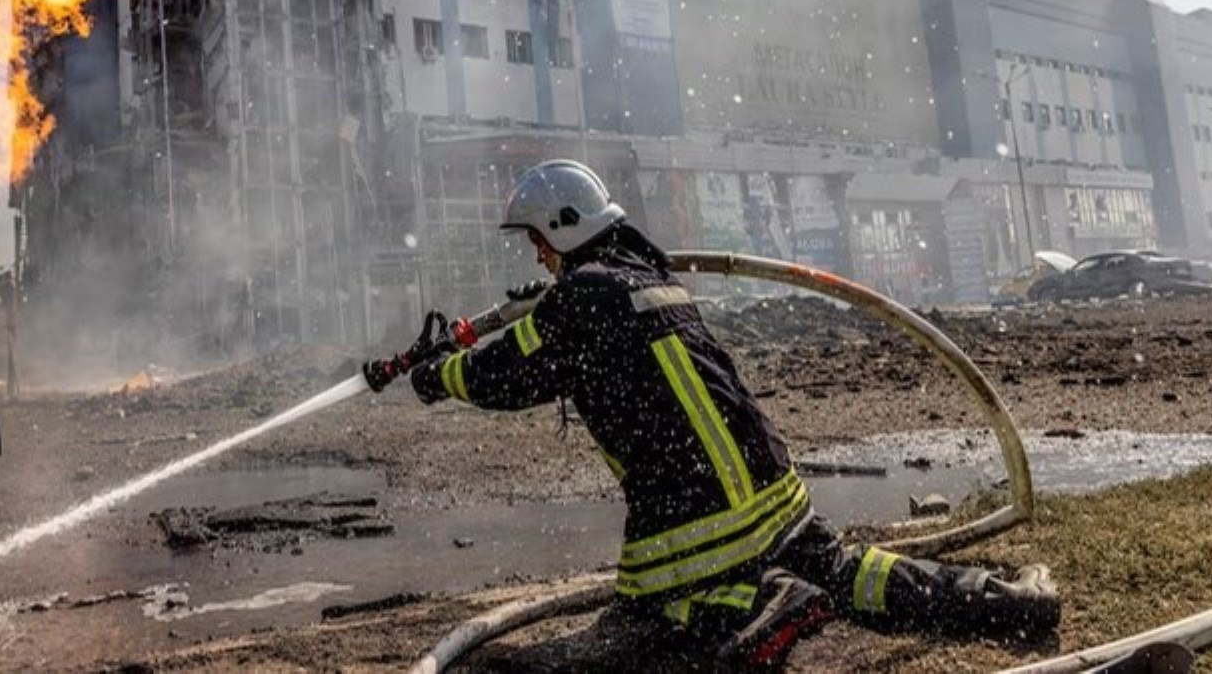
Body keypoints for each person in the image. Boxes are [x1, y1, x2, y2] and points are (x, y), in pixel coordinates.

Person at [373, 159, 1059, 668]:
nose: (538, 254)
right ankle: (1008, 601)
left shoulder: (582, 300)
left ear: (565, 226)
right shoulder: (648, 281)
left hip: (693, 520)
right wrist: (554, 298)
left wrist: (436, 374)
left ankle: (756, 610)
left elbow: (503, 375)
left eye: (539, 241)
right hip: (773, 495)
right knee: (854, 575)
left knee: (632, 634)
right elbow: (568, 338)